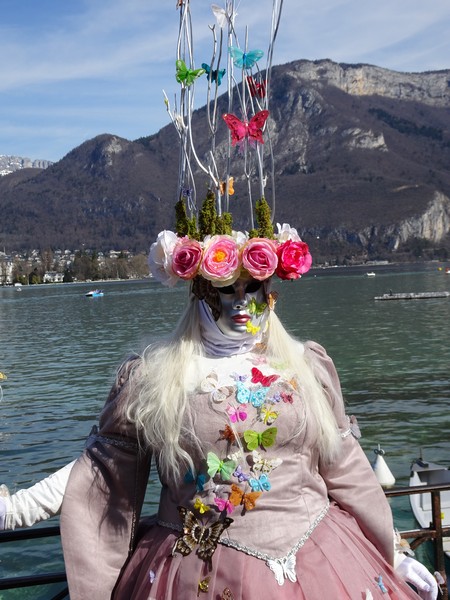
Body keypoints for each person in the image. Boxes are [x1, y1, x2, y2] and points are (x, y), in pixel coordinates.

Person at [0, 244, 439, 599]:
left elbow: (345, 469)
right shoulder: (154, 377)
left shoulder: (306, 366)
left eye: (254, 286)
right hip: (194, 570)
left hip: (321, 560)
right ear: (200, 293)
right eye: (227, 289)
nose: (242, 302)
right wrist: (16, 510)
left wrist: (393, 551)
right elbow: (101, 473)